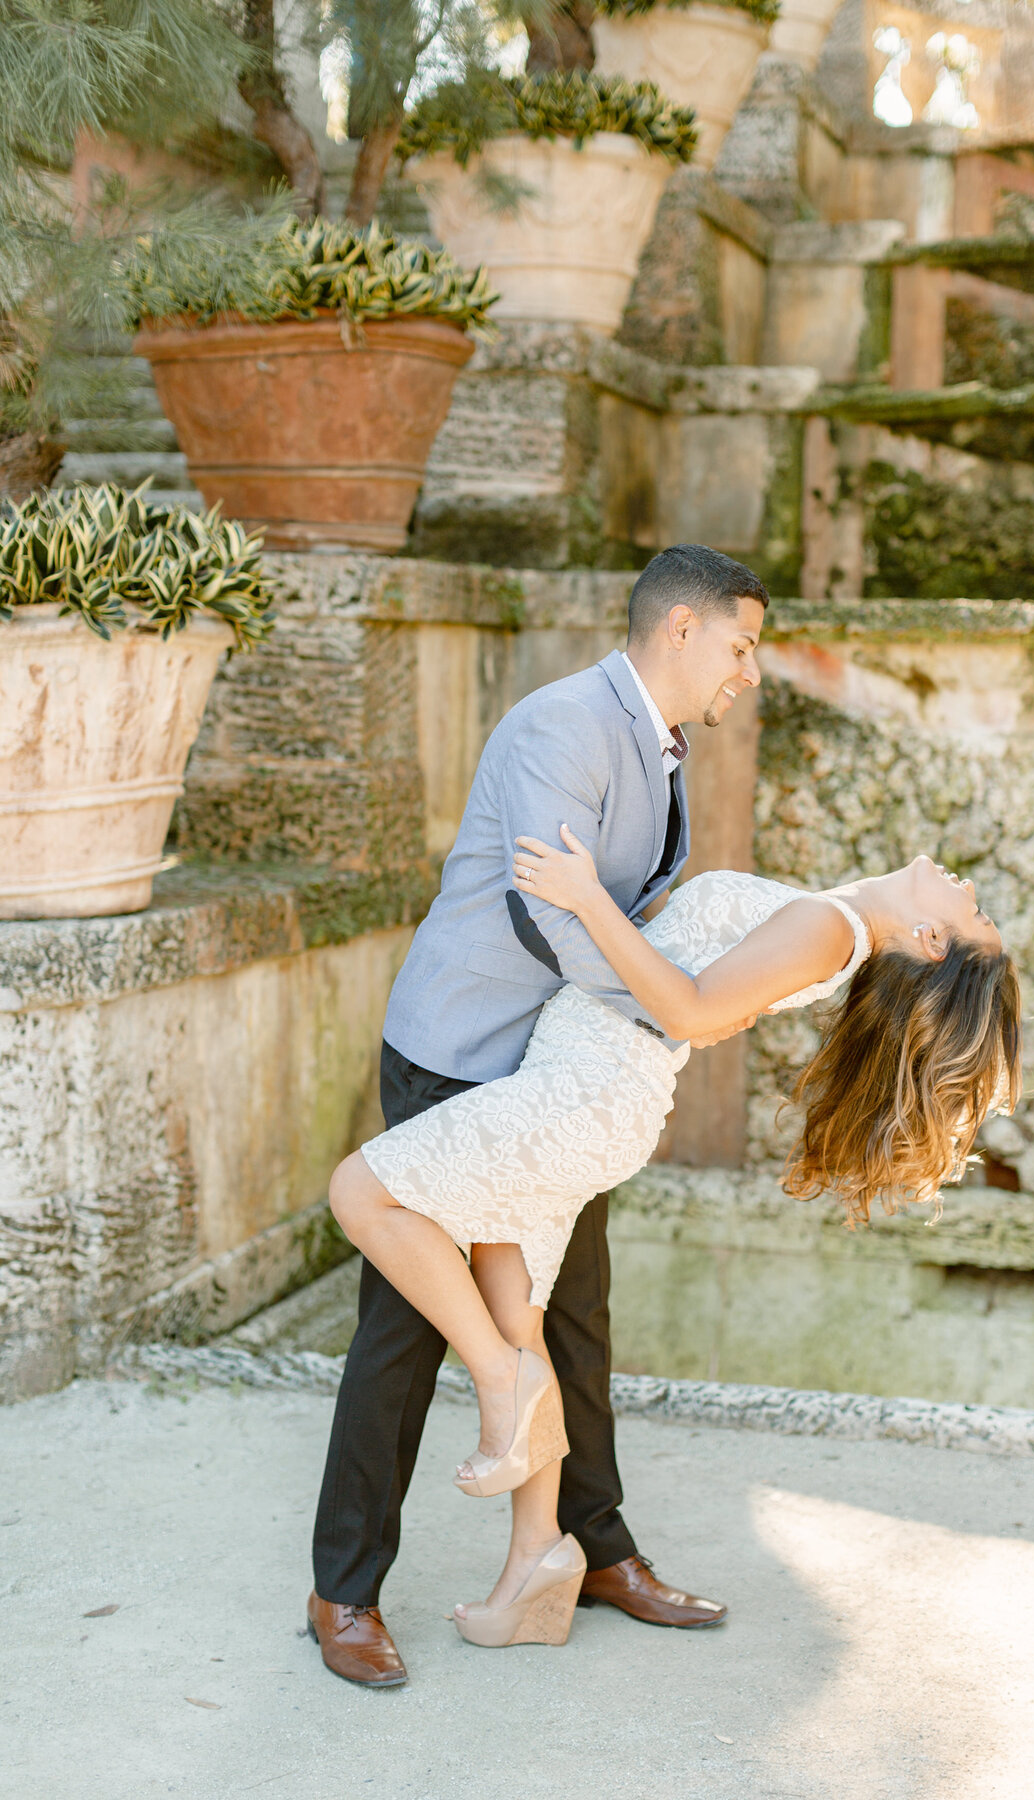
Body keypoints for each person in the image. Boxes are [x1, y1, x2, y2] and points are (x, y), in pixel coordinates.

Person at [325, 842, 1021, 1649]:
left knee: (362, 1193)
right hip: (589, 1092)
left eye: (977, 914)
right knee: (517, 1306)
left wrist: (586, 897)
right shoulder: (835, 926)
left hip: (581, 1091)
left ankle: (495, 1378)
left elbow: (686, 1010)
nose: (971, 890)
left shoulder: (832, 929)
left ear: (933, 939)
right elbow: (704, 1000)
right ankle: (534, 1567)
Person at [307, 543, 768, 1683]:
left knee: (576, 1315)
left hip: (553, 1075)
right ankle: (343, 1591)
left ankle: (598, 1552)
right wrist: (673, 1011)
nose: (749, 673)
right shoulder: (563, 727)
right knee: (407, 1328)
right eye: (743, 645)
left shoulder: (660, 750)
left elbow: (634, 909)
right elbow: (546, 921)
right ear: (680, 630)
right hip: (462, 1051)